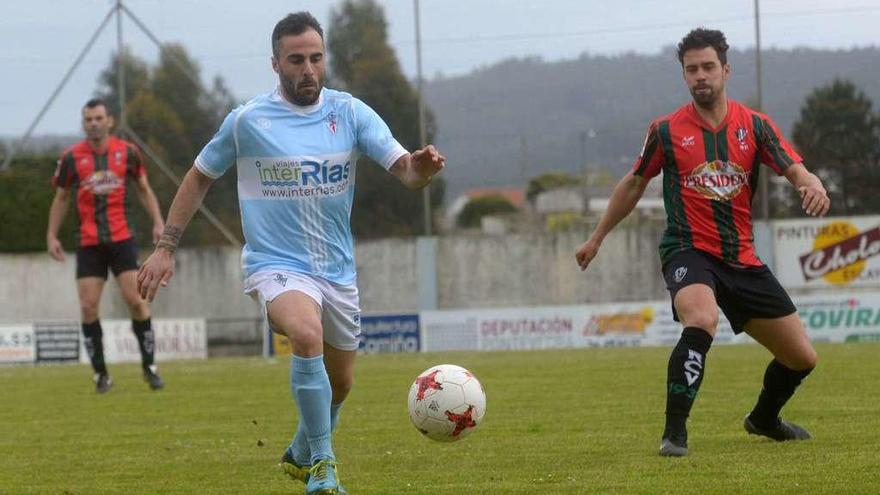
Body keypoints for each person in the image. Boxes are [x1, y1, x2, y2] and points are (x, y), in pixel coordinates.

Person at [136, 11, 444, 494]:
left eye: (316, 58)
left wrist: (421, 169)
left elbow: (404, 170)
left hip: (336, 272)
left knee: (340, 384)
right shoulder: (247, 121)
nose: (308, 69)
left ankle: (302, 451)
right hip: (275, 266)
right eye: (296, 59)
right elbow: (199, 175)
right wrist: (165, 247)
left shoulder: (351, 113)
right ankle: (324, 466)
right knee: (305, 334)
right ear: (276, 63)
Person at [575, 28, 830, 457]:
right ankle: (675, 433)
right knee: (701, 318)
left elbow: (795, 169)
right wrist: (596, 237)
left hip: (742, 259)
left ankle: (764, 419)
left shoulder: (755, 126)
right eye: (691, 69)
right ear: (684, 76)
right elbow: (634, 184)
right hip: (688, 251)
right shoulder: (667, 131)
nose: (700, 76)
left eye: (708, 66)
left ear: (725, 70)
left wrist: (813, 184)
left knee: (802, 358)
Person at [48, 98, 166, 393]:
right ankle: (101, 374)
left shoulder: (127, 153)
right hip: (89, 242)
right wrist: (51, 235)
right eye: (89, 119)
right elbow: (61, 198)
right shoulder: (72, 158)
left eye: (99, 118)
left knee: (137, 301)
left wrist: (158, 222)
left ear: (109, 121)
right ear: (84, 122)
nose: (94, 124)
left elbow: (144, 189)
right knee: (88, 307)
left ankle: (150, 366)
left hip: (122, 239)